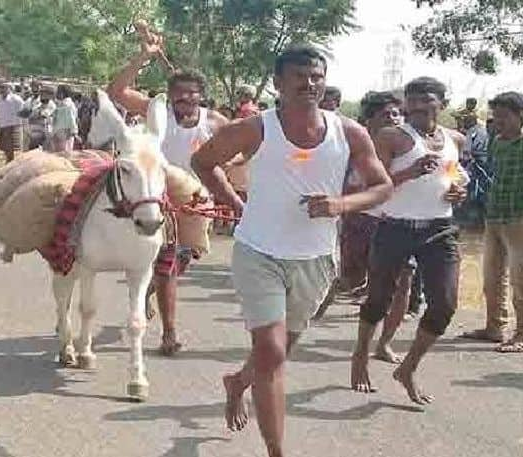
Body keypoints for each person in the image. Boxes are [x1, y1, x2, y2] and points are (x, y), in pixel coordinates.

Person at [191, 46, 392, 457]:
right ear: (278, 84)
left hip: (316, 259)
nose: (309, 83)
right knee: (272, 353)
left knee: (278, 352)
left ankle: (238, 383)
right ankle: (276, 452)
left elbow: (383, 186)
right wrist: (232, 201)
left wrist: (340, 205)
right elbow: (203, 161)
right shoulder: (253, 129)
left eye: (316, 75)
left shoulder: (349, 132)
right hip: (258, 252)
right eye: (299, 76)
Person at [108, 24, 229, 356]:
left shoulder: (215, 121)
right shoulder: (155, 111)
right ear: (169, 94)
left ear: (201, 96)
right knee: (169, 264)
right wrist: (142, 57)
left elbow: (241, 151)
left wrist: (227, 180)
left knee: (178, 264)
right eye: (179, 92)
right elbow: (116, 90)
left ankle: (146, 291)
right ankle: (170, 333)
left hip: (195, 204)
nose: (186, 98)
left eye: (192, 93)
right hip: (156, 198)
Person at [351, 77, 468, 405]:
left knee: (444, 304)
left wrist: (459, 191)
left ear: (441, 103)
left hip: (440, 228)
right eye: (411, 99)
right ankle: (360, 354)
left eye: (425, 99)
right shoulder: (391, 137)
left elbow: (454, 176)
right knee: (378, 299)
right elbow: (375, 184)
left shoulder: (455, 139)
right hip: (396, 227)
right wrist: (410, 172)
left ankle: (408, 368)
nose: (416, 105)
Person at [337, 91, 411, 363]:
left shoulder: (408, 144)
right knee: (352, 279)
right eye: (385, 114)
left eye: (396, 113)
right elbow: (360, 184)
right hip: (361, 220)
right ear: (370, 120)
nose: (393, 118)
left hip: (396, 222)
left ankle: (384, 343)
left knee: (401, 284)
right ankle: (318, 300)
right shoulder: (356, 144)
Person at [461, 92, 523, 351]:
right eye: (495, 117)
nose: (498, 122)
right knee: (492, 275)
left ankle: (521, 334)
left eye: (504, 117)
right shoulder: (496, 142)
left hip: (519, 218)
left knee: (520, 279)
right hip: (495, 216)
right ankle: (494, 327)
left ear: (520, 116)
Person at [0, 82, 25, 162]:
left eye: (4, 87)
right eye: (1, 88)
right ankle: (8, 164)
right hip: (4, 127)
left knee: (16, 150)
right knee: (6, 149)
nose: (2, 90)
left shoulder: (17, 99)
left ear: (9, 88)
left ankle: (15, 165)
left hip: (15, 126)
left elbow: (23, 113)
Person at [24, 85, 56, 150]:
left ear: (49, 95)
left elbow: (44, 115)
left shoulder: (52, 106)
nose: (41, 95)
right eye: (41, 93)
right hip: (34, 134)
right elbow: (30, 116)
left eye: (44, 94)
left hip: (47, 135)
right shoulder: (37, 105)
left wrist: (37, 114)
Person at [51, 84, 78, 152]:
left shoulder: (67, 105)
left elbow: (71, 120)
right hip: (59, 133)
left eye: (58, 92)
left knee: (64, 153)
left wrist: (73, 132)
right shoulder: (62, 105)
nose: (57, 94)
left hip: (65, 133)